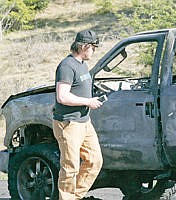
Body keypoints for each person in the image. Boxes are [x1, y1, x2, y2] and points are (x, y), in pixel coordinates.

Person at [52, 29, 103, 200]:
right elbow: (62, 96)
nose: (94, 51)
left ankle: (75, 197)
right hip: (68, 124)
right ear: (83, 46)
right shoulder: (66, 66)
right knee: (70, 167)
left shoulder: (82, 64)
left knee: (95, 161)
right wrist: (88, 102)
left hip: (84, 122)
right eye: (93, 47)